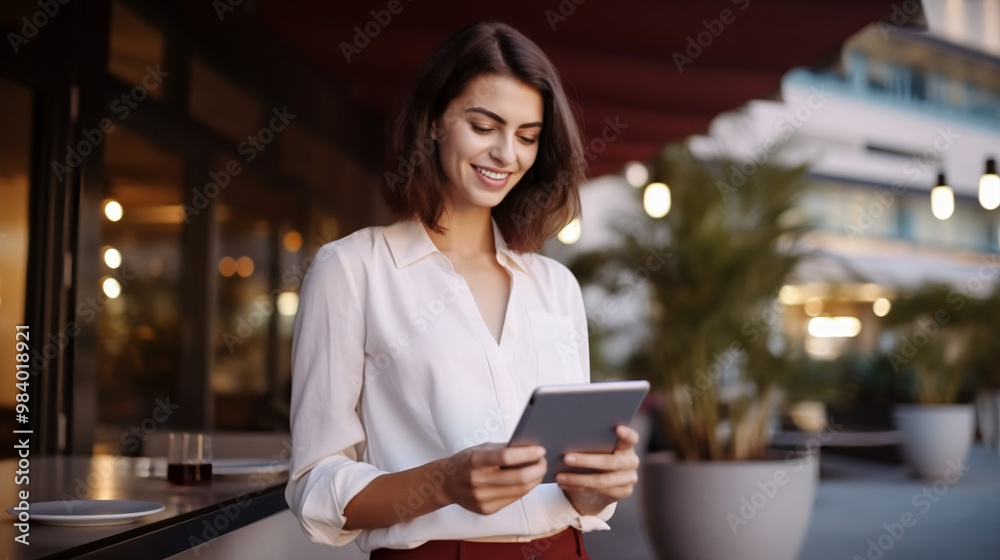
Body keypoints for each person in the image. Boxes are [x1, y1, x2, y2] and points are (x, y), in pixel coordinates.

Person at [285, 21, 640, 559]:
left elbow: (574, 487)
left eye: (526, 136)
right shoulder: (353, 269)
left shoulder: (555, 286)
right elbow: (314, 483)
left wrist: (599, 484)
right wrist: (444, 481)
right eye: (483, 125)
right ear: (433, 122)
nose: (506, 154)